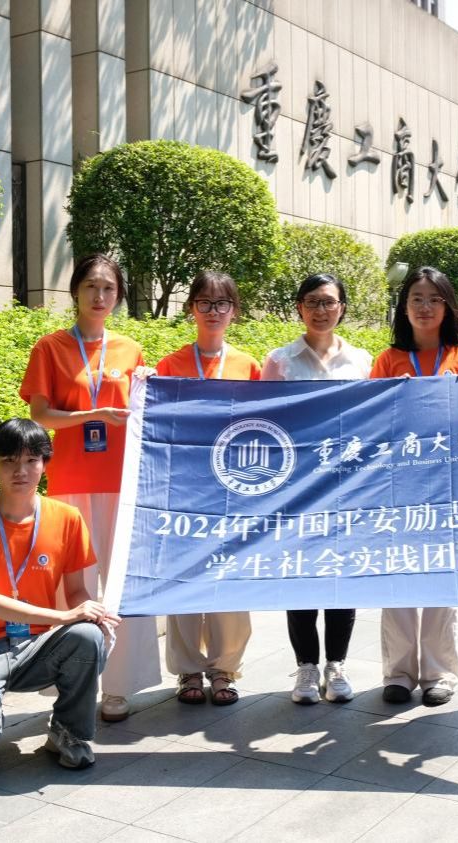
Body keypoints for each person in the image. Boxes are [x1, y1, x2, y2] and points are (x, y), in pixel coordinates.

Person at [19, 253, 161, 723]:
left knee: (121, 583)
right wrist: (93, 415)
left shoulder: (130, 350)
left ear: (118, 295)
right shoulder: (50, 347)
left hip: (122, 483)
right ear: (75, 291)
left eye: (109, 288)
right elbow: (40, 415)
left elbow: (144, 411)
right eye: (91, 287)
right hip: (71, 482)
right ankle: (72, 685)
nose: (100, 296)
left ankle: (118, 687)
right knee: (72, 585)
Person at [0, 418, 119, 768]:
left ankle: (67, 731)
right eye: (9, 461)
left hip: (38, 646)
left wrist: (94, 613)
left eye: (31, 460)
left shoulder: (67, 518)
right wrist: (63, 616)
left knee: (88, 634)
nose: (20, 471)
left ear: (44, 464)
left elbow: (77, 591)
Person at [370, 266, 458, 707]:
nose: (425, 306)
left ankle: (439, 673)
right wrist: (391, 400)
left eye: (435, 299)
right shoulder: (388, 360)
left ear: (448, 307)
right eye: (416, 298)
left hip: (450, 483)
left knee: (441, 576)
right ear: (404, 307)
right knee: (398, 575)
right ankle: (398, 672)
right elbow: (370, 422)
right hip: (399, 484)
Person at [263, 273, 373, 704]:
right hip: (298, 489)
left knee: (342, 576)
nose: (321, 310)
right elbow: (265, 424)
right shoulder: (280, 361)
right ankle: (307, 668)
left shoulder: (361, 360)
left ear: (342, 307)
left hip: (348, 487)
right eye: (312, 301)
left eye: (329, 302)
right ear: (299, 308)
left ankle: (336, 665)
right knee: (301, 576)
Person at [155, 271, 261, 706]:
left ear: (234, 311)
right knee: (183, 577)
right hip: (185, 487)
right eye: (204, 302)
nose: (213, 311)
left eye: (222, 303)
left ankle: (225, 668)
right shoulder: (169, 365)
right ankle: (187, 670)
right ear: (190, 309)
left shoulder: (249, 366)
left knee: (229, 578)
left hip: (235, 487)